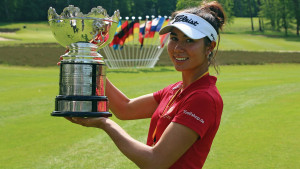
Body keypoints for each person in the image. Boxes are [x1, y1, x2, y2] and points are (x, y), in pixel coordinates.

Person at [66, 1, 225, 168]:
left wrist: (105, 124)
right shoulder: (176, 90)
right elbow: (125, 108)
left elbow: (155, 161)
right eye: (174, 38)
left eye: (189, 40)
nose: (178, 47)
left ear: (209, 47)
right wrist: (90, 65)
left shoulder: (203, 98)